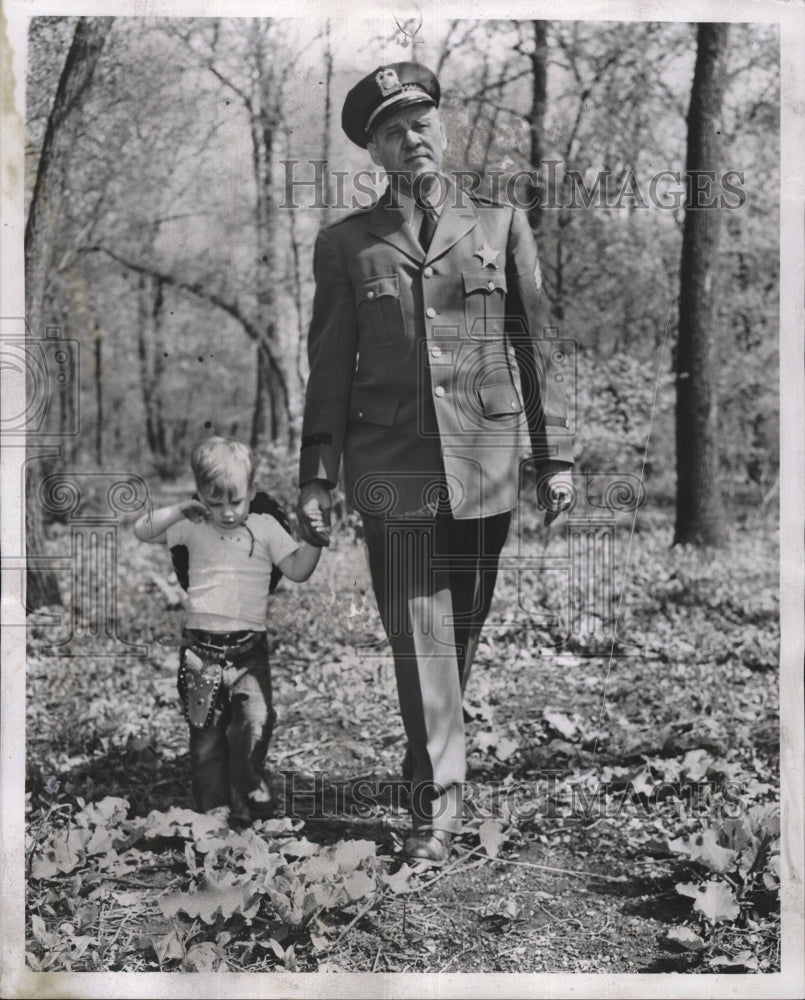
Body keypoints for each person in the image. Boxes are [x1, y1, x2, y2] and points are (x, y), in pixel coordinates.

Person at [296, 63, 574, 862]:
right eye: (391, 131)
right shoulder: (346, 244)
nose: (410, 138)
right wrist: (317, 470)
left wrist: (552, 456)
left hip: (486, 462)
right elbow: (327, 363)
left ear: (441, 129)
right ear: (375, 152)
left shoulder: (498, 224)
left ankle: (429, 761)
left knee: (458, 633)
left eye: (420, 122)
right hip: (391, 466)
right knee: (420, 638)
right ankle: (437, 802)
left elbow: (534, 345)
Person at [134, 436, 326, 825]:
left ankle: (246, 775)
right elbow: (142, 530)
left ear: (252, 491)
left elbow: (298, 570)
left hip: (248, 651)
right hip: (200, 652)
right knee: (205, 739)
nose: (224, 512)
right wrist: (179, 510)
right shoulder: (192, 526)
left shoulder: (266, 527)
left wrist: (315, 541)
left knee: (255, 720)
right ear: (200, 496)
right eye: (213, 501)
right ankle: (214, 812)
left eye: (235, 501)